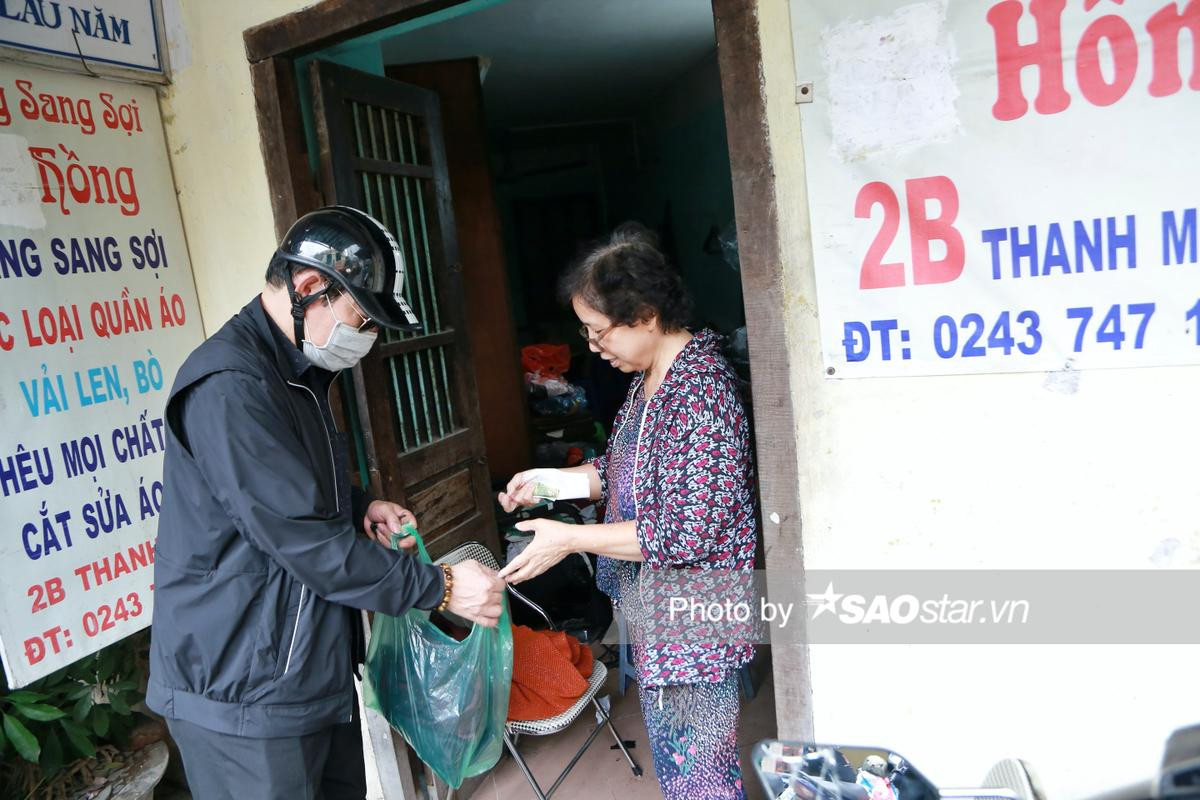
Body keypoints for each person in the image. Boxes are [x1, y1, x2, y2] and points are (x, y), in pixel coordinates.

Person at [147, 205, 505, 800]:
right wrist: (438, 587)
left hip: (299, 668)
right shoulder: (231, 387)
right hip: (241, 689)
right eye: (361, 318)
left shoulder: (298, 375)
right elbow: (305, 541)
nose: (364, 337)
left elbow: (294, 493)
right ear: (309, 287)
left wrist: (361, 503)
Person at [497, 222, 758, 800]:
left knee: (701, 773)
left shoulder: (702, 392)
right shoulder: (651, 385)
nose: (594, 348)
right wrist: (550, 484)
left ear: (642, 313)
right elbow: (618, 472)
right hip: (657, 617)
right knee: (679, 763)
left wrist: (568, 541)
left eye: (598, 332)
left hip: (694, 623)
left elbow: (683, 533)